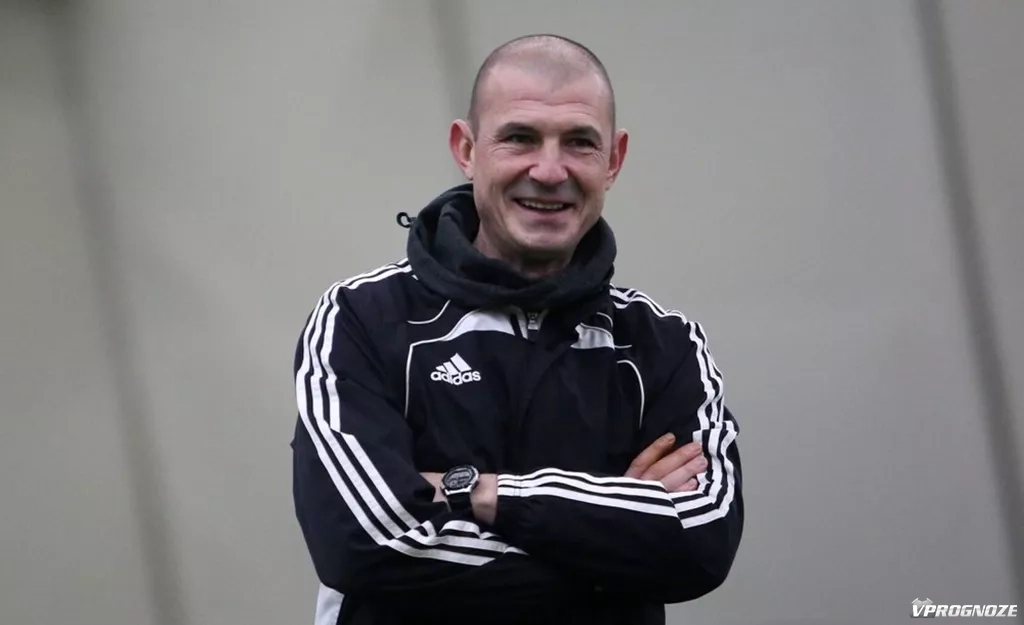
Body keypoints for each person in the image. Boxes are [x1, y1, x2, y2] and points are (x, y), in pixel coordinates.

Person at [291, 33, 743, 625]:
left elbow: (702, 543)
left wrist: (477, 492)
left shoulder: (664, 344)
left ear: (613, 160)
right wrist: (617, 545)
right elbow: (365, 543)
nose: (549, 171)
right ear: (466, 149)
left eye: (579, 142)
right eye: (520, 138)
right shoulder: (361, 317)